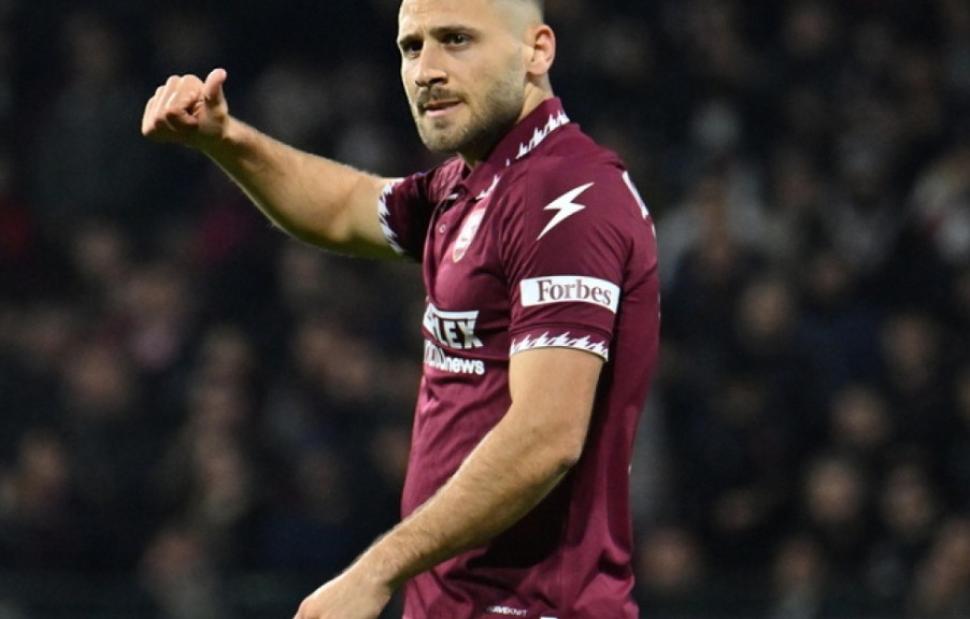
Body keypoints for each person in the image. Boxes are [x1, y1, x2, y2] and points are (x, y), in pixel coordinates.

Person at [141, 0, 660, 617]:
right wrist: (227, 140)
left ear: (537, 50)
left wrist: (376, 571)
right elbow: (342, 208)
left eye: (456, 39)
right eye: (412, 47)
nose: (426, 70)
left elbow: (547, 436)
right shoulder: (471, 184)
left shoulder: (567, 196)